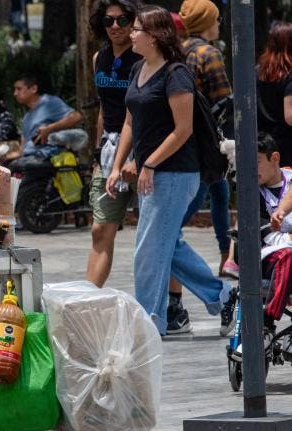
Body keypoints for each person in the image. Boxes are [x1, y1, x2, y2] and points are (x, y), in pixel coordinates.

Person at [105, 5, 236, 337]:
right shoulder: (138, 69)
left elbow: (183, 130)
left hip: (176, 174)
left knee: (149, 249)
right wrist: (117, 165)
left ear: (154, 36)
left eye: (136, 29)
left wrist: (149, 162)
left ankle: (149, 324)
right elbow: (130, 122)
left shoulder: (176, 74)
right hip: (151, 174)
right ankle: (223, 297)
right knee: (165, 245)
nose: (129, 34)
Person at [85, 0, 142, 289]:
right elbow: (103, 109)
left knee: (155, 235)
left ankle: (174, 303)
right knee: (100, 229)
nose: (116, 26)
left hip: (142, 149)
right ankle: (87, 297)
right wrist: (97, 152)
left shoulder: (144, 57)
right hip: (109, 150)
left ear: (134, 21)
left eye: (122, 19)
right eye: (109, 21)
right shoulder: (100, 58)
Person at [231, 133, 292, 360]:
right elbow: (265, 232)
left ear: (274, 157)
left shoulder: (289, 179)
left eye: (255, 161)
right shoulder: (250, 192)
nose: (249, 169)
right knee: (287, 255)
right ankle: (266, 325)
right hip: (268, 258)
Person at [13, 74, 83, 161]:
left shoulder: (49, 102)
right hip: (29, 161)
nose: (15, 94)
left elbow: (76, 117)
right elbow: (23, 149)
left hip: (48, 160)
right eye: (15, 90)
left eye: (19, 89)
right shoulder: (27, 117)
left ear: (33, 89)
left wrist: (50, 128)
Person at [257, 23, 292, 169]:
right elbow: (290, 117)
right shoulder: (289, 76)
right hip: (287, 149)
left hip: (261, 145)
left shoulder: (257, 72)